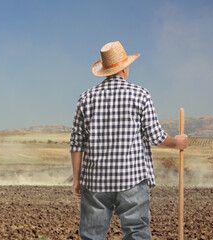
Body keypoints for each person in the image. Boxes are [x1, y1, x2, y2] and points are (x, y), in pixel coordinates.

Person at [69, 41, 188, 240]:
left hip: (95, 181)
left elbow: (76, 143)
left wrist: (76, 178)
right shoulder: (140, 95)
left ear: (105, 70)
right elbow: (156, 137)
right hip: (132, 180)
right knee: (136, 233)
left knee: (91, 236)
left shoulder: (85, 98)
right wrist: (178, 143)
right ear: (124, 67)